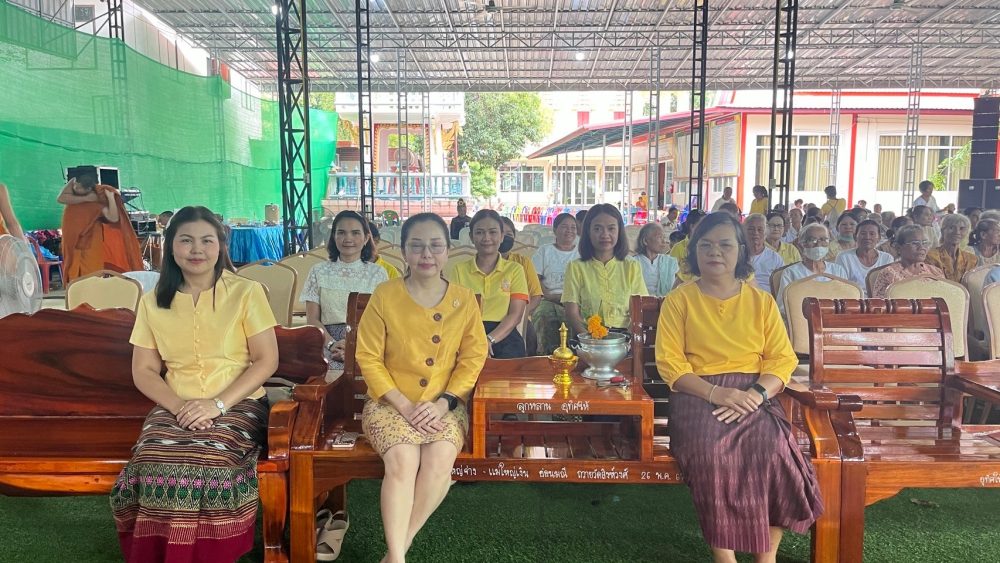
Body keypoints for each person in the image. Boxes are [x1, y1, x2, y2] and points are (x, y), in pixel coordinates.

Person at [110, 206, 278, 563]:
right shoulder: (153, 302)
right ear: (171, 247)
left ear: (221, 246)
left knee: (207, 457)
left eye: (207, 240)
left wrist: (216, 405)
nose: (197, 249)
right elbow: (144, 370)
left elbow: (266, 360)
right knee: (153, 458)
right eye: (186, 240)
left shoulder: (246, 292)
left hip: (239, 404)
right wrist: (180, 407)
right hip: (176, 405)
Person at [655, 211, 822, 561]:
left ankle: (766, 557)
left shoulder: (761, 301)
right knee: (711, 452)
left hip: (753, 393)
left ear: (741, 251)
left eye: (725, 245)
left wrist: (756, 394)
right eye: (705, 245)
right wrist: (716, 393)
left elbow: (782, 359)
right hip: (697, 394)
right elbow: (670, 363)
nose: (714, 252)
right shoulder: (679, 300)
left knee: (773, 449)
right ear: (694, 252)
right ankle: (724, 556)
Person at [355, 213, 488, 563]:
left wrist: (445, 402)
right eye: (416, 246)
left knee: (440, 458)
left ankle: (395, 552)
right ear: (403, 252)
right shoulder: (385, 295)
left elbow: (473, 358)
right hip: (389, 403)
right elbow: (368, 357)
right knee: (402, 459)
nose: (426, 254)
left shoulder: (463, 300)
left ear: (448, 251)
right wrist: (403, 404)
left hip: (443, 405)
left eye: (435, 245)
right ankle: (398, 558)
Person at [301, 210, 388, 369]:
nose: (348, 238)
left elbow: (382, 321)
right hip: (326, 342)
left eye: (355, 233)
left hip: (366, 344)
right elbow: (312, 320)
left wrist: (354, 347)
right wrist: (332, 344)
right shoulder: (318, 271)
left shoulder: (377, 273)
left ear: (366, 238)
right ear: (333, 237)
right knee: (321, 373)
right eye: (341, 233)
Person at [450, 210, 528, 358]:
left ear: (502, 236)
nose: (486, 238)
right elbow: (456, 313)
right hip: (468, 333)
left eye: (493, 232)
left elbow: (515, 315)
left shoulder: (515, 270)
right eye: (479, 232)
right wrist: (476, 342)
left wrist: (489, 340)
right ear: (471, 237)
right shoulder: (459, 270)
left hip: (504, 334)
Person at [563, 203, 647, 337]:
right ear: (588, 232)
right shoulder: (575, 267)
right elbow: (572, 313)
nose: (605, 235)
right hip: (588, 337)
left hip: (625, 337)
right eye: (597, 229)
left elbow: (639, 310)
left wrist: (626, 340)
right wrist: (590, 340)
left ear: (619, 231)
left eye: (611, 228)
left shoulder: (632, 266)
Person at [57, 172, 143, 282]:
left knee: (91, 276)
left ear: (88, 189)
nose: (75, 188)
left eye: (79, 188)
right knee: (72, 273)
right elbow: (61, 198)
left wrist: (111, 198)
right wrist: (83, 194)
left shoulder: (97, 202)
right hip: (72, 243)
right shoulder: (73, 198)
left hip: (90, 243)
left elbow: (113, 218)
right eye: (75, 186)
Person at [531, 212, 580, 355]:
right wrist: (548, 295)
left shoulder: (582, 253)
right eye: (564, 227)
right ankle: (546, 358)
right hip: (548, 298)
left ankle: (572, 358)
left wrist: (570, 299)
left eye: (573, 227)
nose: (569, 231)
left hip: (575, 299)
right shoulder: (544, 251)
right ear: (555, 230)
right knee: (544, 317)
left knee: (576, 319)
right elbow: (535, 278)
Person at [775, 224, 850, 316]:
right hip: (803, 320)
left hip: (834, 319)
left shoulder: (838, 270)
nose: (818, 244)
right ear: (802, 244)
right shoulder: (791, 273)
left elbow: (847, 300)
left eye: (823, 240)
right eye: (812, 240)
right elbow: (783, 307)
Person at [500, 217, 544, 353]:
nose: (504, 238)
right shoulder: (480, 263)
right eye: (501, 233)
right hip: (489, 317)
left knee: (529, 336)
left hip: (520, 317)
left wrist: (522, 315)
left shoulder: (522, 262)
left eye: (509, 234)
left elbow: (536, 295)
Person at [870, 224, 945, 298]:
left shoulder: (936, 272)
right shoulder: (889, 273)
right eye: (915, 243)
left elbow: (946, 300)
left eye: (925, 243)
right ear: (899, 248)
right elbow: (879, 304)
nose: (921, 247)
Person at [835, 219, 894, 293]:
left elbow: (888, 287)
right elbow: (840, 286)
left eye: (872, 234)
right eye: (863, 233)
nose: (867, 237)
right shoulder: (844, 257)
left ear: (879, 238)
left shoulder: (887, 259)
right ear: (855, 237)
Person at [925, 213, 976, 283]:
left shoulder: (972, 259)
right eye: (951, 228)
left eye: (961, 229)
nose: (957, 232)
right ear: (942, 231)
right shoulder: (930, 256)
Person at [634, 223, 680, 297]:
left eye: (664, 237)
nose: (664, 241)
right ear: (645, 241)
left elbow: (678, 284)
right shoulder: (634, 262)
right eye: (659, 237)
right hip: (639, 303)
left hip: (665, 303)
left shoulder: (670, 262)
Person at [743, 214, 784, 292]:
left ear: (766, 233)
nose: (756, 233)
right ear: (743, 232)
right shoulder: (736, 255)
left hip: (767, 297)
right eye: (751, 229)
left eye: (760, 229)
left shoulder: (775, 258)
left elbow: (781, 287)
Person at [670, 210, 706, 284]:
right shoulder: (678, 248)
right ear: (692, 226)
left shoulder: (709, 248)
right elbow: (671, 274)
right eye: (702, 225)